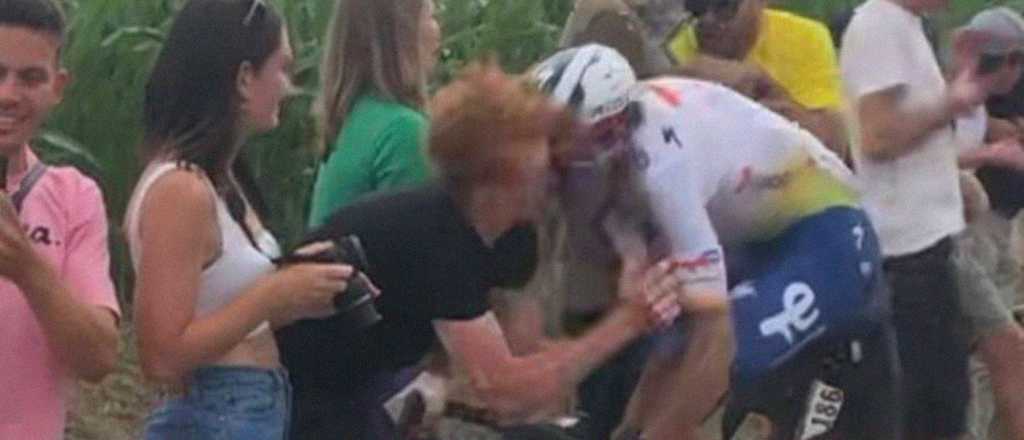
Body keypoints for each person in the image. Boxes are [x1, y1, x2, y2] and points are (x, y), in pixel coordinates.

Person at [276, 63, 682, 440]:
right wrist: (629, 321)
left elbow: (526, 364)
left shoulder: (512, 237)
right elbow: (505, 390)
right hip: (297, 388)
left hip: (358, 382)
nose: (558, 170)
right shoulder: (438, 238)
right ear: (500, 177)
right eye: (543, 155)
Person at [531, 44, 899, 440]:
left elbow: (717, 338)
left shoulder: (662, 165)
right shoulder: (620, 150)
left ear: (611, 128)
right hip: (760, 240)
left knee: (727, 354)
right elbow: (667, 335)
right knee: (673, 337)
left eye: (561, 143)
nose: (548, 158)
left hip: (830, 234)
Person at [124, 1, 359, 438]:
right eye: (282, 68)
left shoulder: (222, 182)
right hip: (218, 413)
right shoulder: (181, 190)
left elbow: (217, 310)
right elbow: (161, 354)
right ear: (244, 78)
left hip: (248, 407)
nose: (289, 87)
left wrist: (298, 286)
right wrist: (272, 295)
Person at [841, 0, 1002, 438]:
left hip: (930, 246)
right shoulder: (878, 25)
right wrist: (950, 103)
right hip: (904, 255)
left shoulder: (907, 26)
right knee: (925, 407)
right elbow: (878, 134)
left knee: (945, 398)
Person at [0, 0, 120, 437]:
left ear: (58, 86)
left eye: (30, 78)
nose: (8, 94)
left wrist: (27, 268)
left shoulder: (75, 196)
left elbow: (100, 358)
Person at [949, 8, 1024, 439]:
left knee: (992, 346)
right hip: (971, 225)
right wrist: (992, 153)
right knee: (989, 341)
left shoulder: (973, 100)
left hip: (998, 220)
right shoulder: (961, 96)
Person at [308, 0, 440, 228]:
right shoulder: (403, 131)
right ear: (403, 34)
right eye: (430, 16)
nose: (438, 29)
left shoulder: (354, 120)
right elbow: (423, 254)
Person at [666, 0, 848, 156]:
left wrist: (762, 90)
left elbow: (834, 145)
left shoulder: (804, 37)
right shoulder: (670, 52)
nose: (707, 19)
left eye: (724, 5)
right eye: (696, 5)